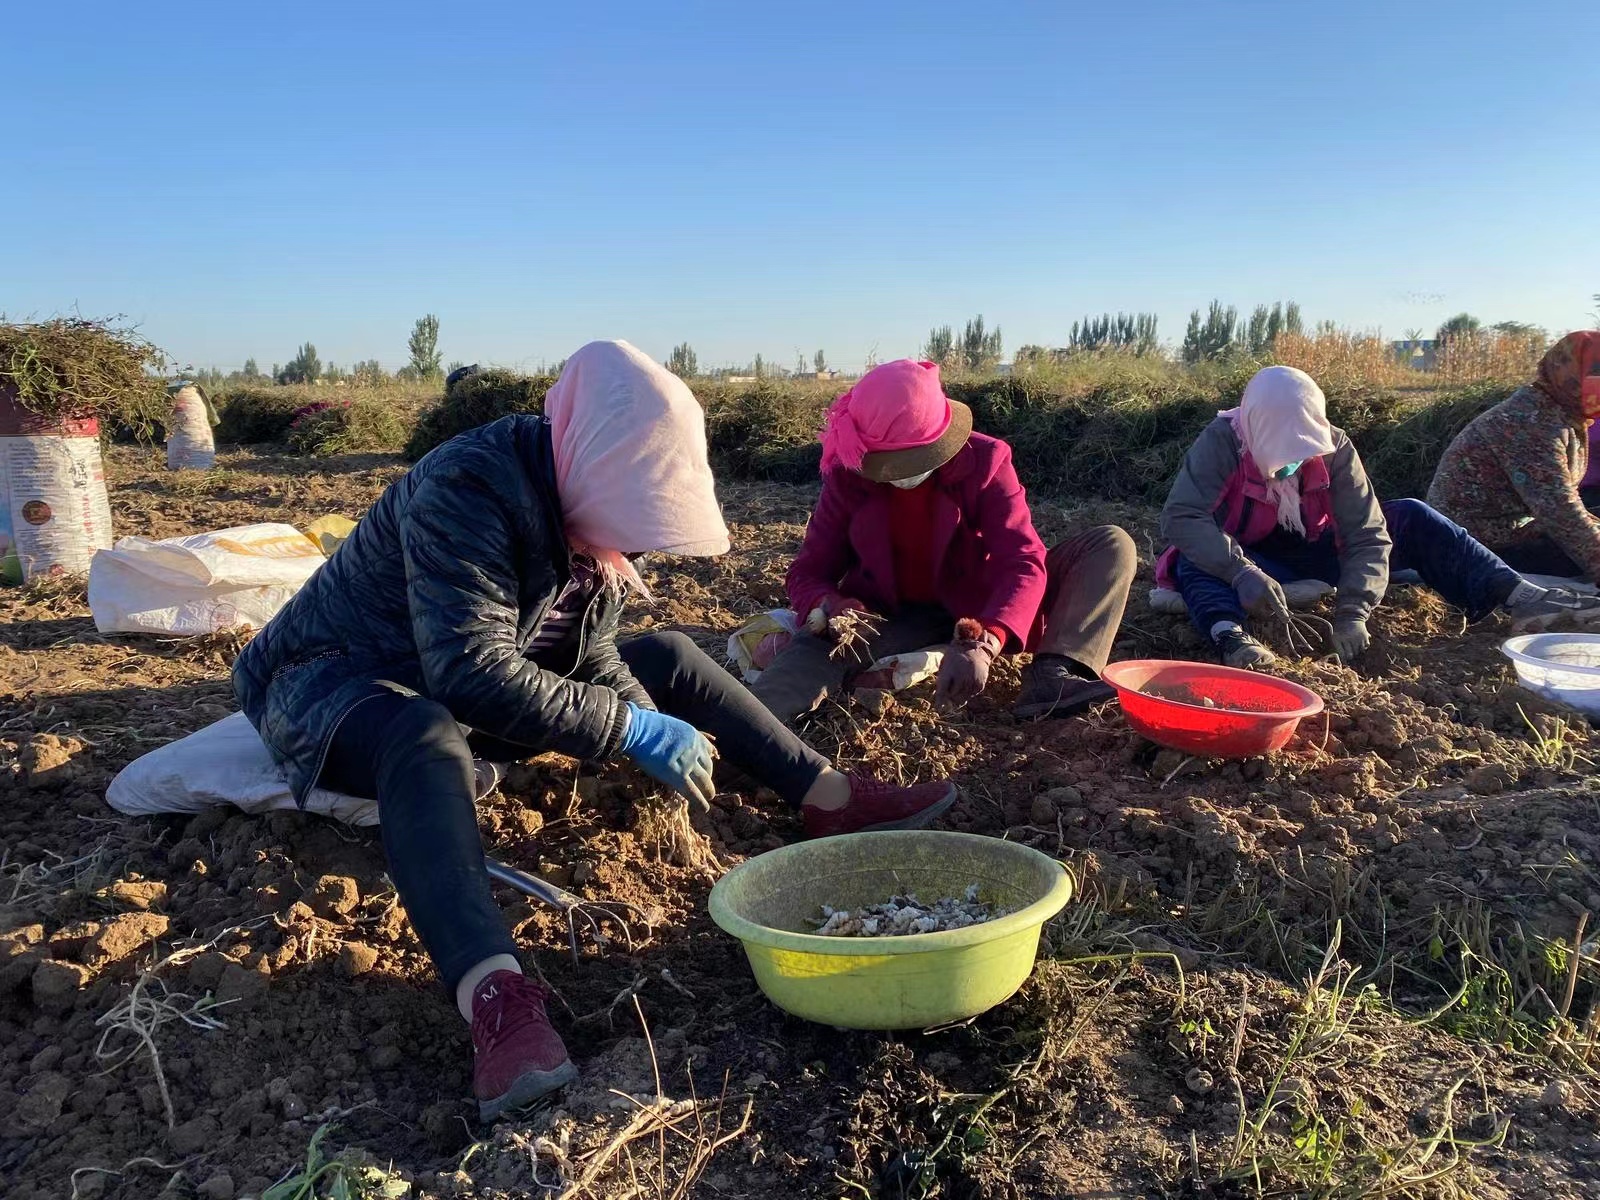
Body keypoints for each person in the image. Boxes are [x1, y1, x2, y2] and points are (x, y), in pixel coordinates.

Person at [231, 341, 955, 1120]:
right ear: (593, 462)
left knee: (670, 655)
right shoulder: (466, 487)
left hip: (460, 678)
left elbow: (588, 646)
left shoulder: (584, 499)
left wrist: (643, 709)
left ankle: (828, 793)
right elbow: (470, 671)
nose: (634, 547)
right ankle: (494, 997)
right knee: (424, 730)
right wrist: (627, 730)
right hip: (335, 683)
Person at [749, 358, 1137, 723]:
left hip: (980, 600)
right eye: (886, 466)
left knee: (1109, 544)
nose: (898, 475)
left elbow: (1021, 559)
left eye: (910, 461)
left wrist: (985, 642)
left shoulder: (986, 461)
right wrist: (834, 606)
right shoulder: (849, 474)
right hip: (892, 612)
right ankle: (750, 728)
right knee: (818, 648)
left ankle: (1053, 675)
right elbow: (808, 571)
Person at [1157, 365, 1600, 669]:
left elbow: (1367, 533)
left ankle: (1513, 592)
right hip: (1251, 551)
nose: (1292, 462)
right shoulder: (1223, 441)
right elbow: (1184, 516)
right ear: (1254, 426)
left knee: (1410, 515)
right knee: (1190, 556)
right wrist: (1240, 572)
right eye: (1281, 451)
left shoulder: (1335, 448)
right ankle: (1230, 635)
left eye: (1302, 449)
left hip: (1315, 547)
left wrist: (1353, 611)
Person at [1427, 331, 1600, 580]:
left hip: (1521, 528)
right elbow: (1560, 512)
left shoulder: (1562, 413)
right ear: (1570, 375)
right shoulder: (1530, 423)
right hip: (1476, 546)